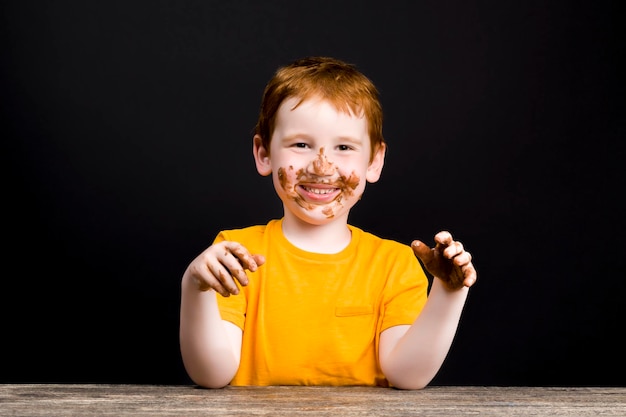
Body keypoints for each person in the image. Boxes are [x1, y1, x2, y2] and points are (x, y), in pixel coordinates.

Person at [179, 56, 477, 390]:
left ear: (374, 161)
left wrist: (450, 293)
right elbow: (211, 375)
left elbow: (407, 376)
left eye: (344, 147)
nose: (322, 166)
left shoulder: (394, 264)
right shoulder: (236, 254)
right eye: (301, 144)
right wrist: (195, 287)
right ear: (264, 153)